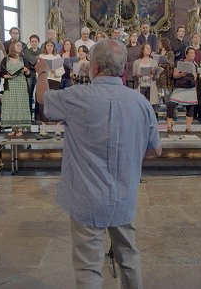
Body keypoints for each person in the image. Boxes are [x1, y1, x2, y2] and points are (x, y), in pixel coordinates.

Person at [34, 39, 161, 289]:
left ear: (93, 67)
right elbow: (155, 149)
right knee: (129, 256)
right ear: (124, 67)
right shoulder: (141, 103)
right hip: (124, 193)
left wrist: (41, 72)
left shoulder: (77, 96)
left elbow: (43, 101)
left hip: (87, 196)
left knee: (88, 267)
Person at [0, 41, 32, 136]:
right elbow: (1, 73)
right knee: (11, 106)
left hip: (21, 84)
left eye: (21, 46)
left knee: (21, 105)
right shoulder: (5, 59)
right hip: (10, 84)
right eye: (17, 45)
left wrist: (26, 71)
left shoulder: (23, 59)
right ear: (12, 47)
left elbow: (29, 74)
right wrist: (8, 76)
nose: (20, 47)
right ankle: (13, 128)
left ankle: (20, 129)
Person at [166, 47, 198, 133]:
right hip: (180, 87)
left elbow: (195, 77)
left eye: (193, 53)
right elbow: (175, 75)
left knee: (190, 107)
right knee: (171, 104)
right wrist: (182, 74)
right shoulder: (179, 63)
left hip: (190, 88)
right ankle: (169, 125)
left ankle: (188, 127)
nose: (192, 55)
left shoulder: (194, 64)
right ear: (186, 54)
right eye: (190, 53)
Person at [38, 40, 64, 137]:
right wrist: (44, 71)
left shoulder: (57, 57)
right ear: (45, 47)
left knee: (55, 103)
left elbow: (61, 70)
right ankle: (43, 127)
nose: (49, 47)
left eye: (51, 46)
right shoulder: (41, 56)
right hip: (44, 81)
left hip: (54, 80)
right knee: (42, 103)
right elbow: (38, 70)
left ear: (54, 47)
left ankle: (57, 127)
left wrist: (54, 72)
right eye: (48, 45)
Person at [23, 35, 42, 119]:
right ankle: (29, 115)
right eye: (32, 41)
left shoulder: (42, 51)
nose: (34, 43)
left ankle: (37, 115)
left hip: (39, 74)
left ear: (38, 42)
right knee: (29, 94)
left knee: (38, 94)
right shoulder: (26, 52)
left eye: (35, 41)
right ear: (30, 42)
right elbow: (25, 62)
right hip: (30, 74)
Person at [156, 37, 175, 106]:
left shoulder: (170, 53)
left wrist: (162, 64)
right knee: (159, 95)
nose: (158, 44)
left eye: (160, 42)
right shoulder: (157, 53)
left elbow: (171, 64)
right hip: (158, 76)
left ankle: (170, 114)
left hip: (167, 77)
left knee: (168, 96)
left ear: (164, 43)